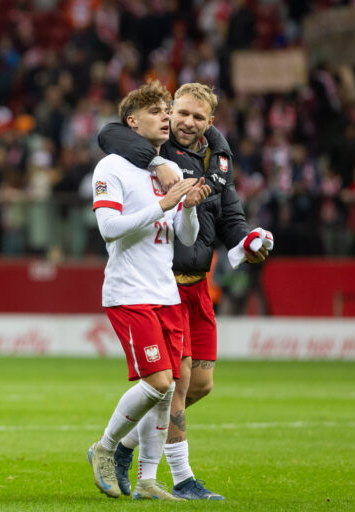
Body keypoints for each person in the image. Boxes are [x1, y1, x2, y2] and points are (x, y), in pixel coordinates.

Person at [98, 82, 273, 500]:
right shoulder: (148, 154)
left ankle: (125, 448)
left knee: (199, 386)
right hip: (159, 281)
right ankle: (178, 477)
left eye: (198, 117)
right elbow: (110, 132)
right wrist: (161, 172)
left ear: (210, 123)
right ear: (169, 112)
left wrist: (245, 241)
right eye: (179, 113)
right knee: (171, 383)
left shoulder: (215, 161)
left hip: (196, 284)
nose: (184, 122)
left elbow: (228, 214)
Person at [88, 80, 210, 501]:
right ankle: (104, 448)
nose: (167, 117)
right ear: (132, 121)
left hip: (166, 293)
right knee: (157, 382)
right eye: (158, 111)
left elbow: (186, 237)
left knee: (168, 391)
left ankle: (146, 481)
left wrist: (188, 206)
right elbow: (108, 229)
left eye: (167, 110)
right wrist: (161, 204)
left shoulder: (168, 172)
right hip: (129, 292)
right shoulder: (111, 169)